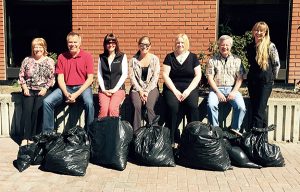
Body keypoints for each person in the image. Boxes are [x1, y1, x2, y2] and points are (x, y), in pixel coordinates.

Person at [42, 32, 95, 133]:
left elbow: (90, 79)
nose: (72, 44)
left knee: (89, 103)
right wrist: (66, 93)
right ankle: (47, 134)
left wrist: (75, 94)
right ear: (67, 43)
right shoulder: (62, 57)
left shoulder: (87, 56)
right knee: (47, 102)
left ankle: (89, 133)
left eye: (75, 42)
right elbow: (60, 78)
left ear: (80, 43)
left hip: (83, 87)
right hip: (66, 88)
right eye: (70, 42)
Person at [162, 34, 201, 147]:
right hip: (172, 87)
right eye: (178, 42)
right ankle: (171, 139)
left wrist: (188, 91)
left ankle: (193, 139)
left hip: (189, 87)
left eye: (182, 42)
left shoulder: (193, 57)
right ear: (175, 44)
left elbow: (198, 76)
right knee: (173, 107)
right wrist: (175, 91)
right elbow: (165, 75)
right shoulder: (169, 57)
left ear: (186, 44)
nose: (180, 45)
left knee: (192, 106)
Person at [206, 35, 246, 135]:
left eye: (227, 45)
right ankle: (215, 131)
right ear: (219, 46)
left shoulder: (237, 60)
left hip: (232, 89)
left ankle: (234, 131)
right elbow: (210, 78)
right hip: (216, 89)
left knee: (241, 107)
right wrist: (218, 92)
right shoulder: (212, 60)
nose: (224, 47)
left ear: (231, 46)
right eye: (222, 45)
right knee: (211, 105)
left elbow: (240, 78)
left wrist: (234, 92)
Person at [18, 38, 55, 146]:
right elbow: (21, 75)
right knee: (27, 112)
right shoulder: (27, 60)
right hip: (28, 89)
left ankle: (33, 137)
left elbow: (52, 78)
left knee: (36, 111)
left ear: (44, 48)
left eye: (40, 46)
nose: (37, 49)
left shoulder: (49, 61)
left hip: (42, 90)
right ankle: (25, 137)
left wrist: (45, 88)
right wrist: (24, 88)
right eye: (35, 47)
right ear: (32, 48)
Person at [246, 21, 280, 129]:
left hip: (265, 82)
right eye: (256, 30)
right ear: (253, 31)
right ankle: (263, 138)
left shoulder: (270, 46)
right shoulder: (250, 46)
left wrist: (271, 78)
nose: (258, 32)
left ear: (265, 32)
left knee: (259, 111)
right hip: (252, 82)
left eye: (261, 30)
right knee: (257, 109)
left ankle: (256, 138)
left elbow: (276, 64)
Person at [129, 36, 160, 131]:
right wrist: (140, 91)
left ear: (150, 46)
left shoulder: (155, 59)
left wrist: (146, 91)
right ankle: (137, 133)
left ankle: (154, 132)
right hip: (136, 88)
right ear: (138, 46)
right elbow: (132, 78)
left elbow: (155, 78)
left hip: (152, 88)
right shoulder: (133, 60)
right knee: (137, 106)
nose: (144, 47)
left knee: (149, 106)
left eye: (147, 45)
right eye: (142, 44)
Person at [98, 33, 128, 118]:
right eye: (108, 42)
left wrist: (114, 89)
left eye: (113, 42)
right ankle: (102, 131)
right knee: (104, 110)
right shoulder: (101, 57)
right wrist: (103, 90)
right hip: (104, 90)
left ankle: (114, 131)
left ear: (116, 43)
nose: (111, 45)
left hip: (118, 89)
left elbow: (124, 74)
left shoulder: (122, 56)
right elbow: (99, 74)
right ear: (105, 44)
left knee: (112, 109)